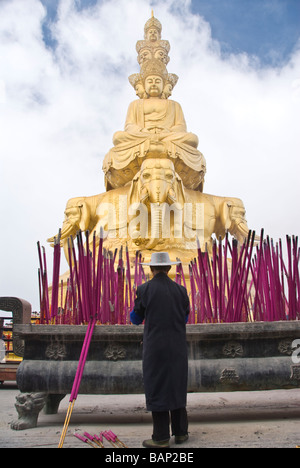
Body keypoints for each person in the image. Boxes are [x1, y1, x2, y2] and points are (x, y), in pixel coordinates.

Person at [130, 252, 190, 448]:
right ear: (169, 268)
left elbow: (136, 319)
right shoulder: (181, 291)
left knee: (157, 386)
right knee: (177, 385)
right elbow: (185, 318)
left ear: (151, 269)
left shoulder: (144, 289)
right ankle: (181, 433)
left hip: (155, 347)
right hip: (178, 346)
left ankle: (161, 436)